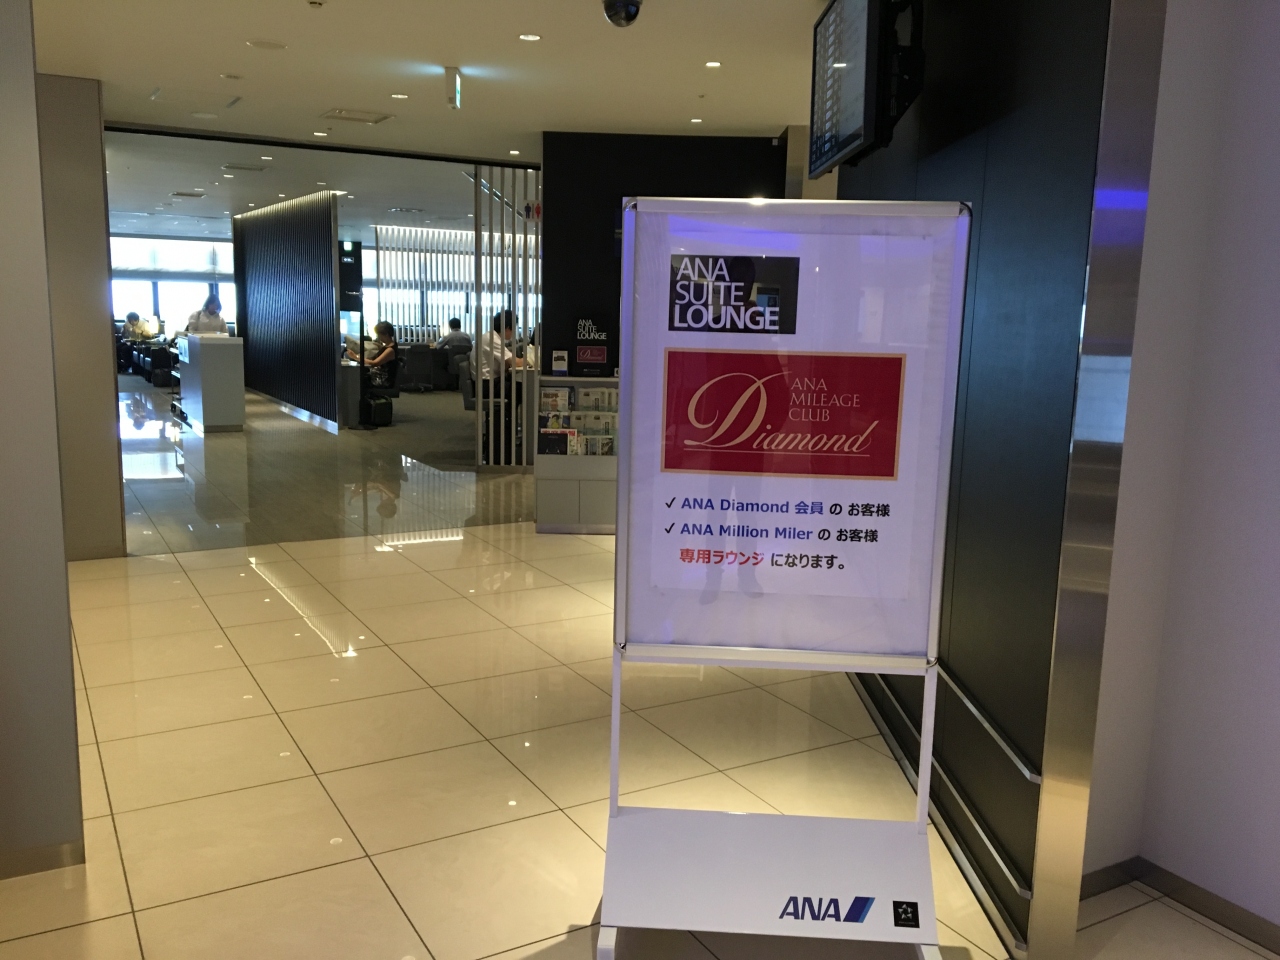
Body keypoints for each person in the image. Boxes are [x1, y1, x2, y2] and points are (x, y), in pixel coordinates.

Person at [476, 310, 525, 382]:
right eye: (514, 329)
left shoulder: (492, 336)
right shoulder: (492, 339)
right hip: (487, 382)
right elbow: (516, 362)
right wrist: (531, 359)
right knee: (523, 385)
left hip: (489, 380)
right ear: (508, 328)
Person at [346, 321, 399, 387]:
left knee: (356, 378)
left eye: (379, 335)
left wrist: (356, 357)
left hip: (381, 379)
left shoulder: (390, 350)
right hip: (378, 375)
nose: (379, 337)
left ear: (386, 334)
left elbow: (374, 363)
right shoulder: (388, 346)